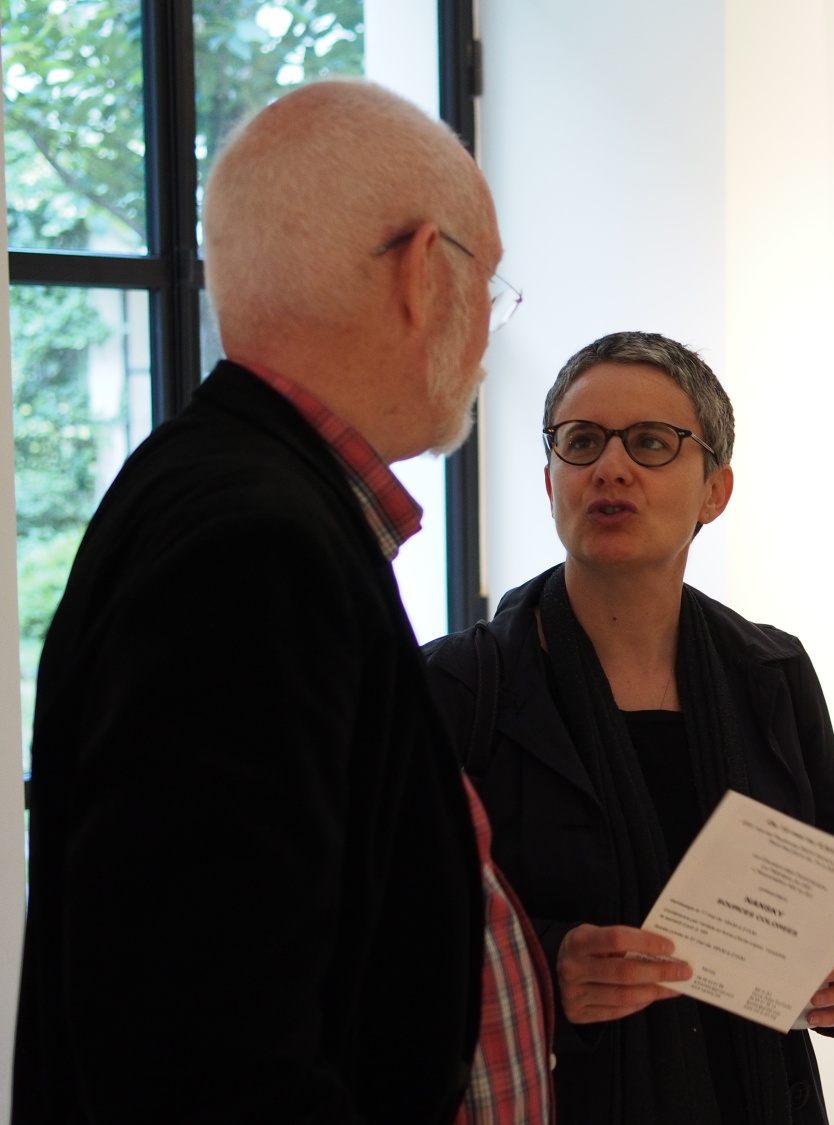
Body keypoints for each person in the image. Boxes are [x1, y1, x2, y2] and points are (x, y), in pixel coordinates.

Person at [14, 80, 554, 1123]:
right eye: (488, 282)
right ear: (421, 272)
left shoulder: (222, 488)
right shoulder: (254, 548)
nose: (490, 330)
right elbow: (207, 1058)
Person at [424, 331, 834, 1125]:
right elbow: (395, 928)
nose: (610, 467)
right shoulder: (459, 688)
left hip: (758, 1094)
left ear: (715, 490)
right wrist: (548, 963)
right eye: (581, 441)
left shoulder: (770, 672)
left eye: (651, 443)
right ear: (550, 480)